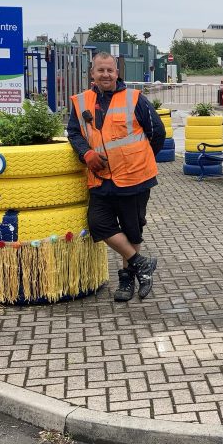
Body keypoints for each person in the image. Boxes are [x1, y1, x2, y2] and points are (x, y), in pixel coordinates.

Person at [68, 52, 165, 302]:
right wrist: (85, 153)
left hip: (134, 177)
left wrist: (142, 157)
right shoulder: (81, 101)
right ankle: (141, 264)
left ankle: (126, 280)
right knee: (98, 223)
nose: (106, 75)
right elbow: (73, 133)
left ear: (117, 72)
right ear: (92, 73)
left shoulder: (135, 98)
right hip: (100, 177)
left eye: (110, 70)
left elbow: (157, 132)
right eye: (100, 70)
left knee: (133, 230)